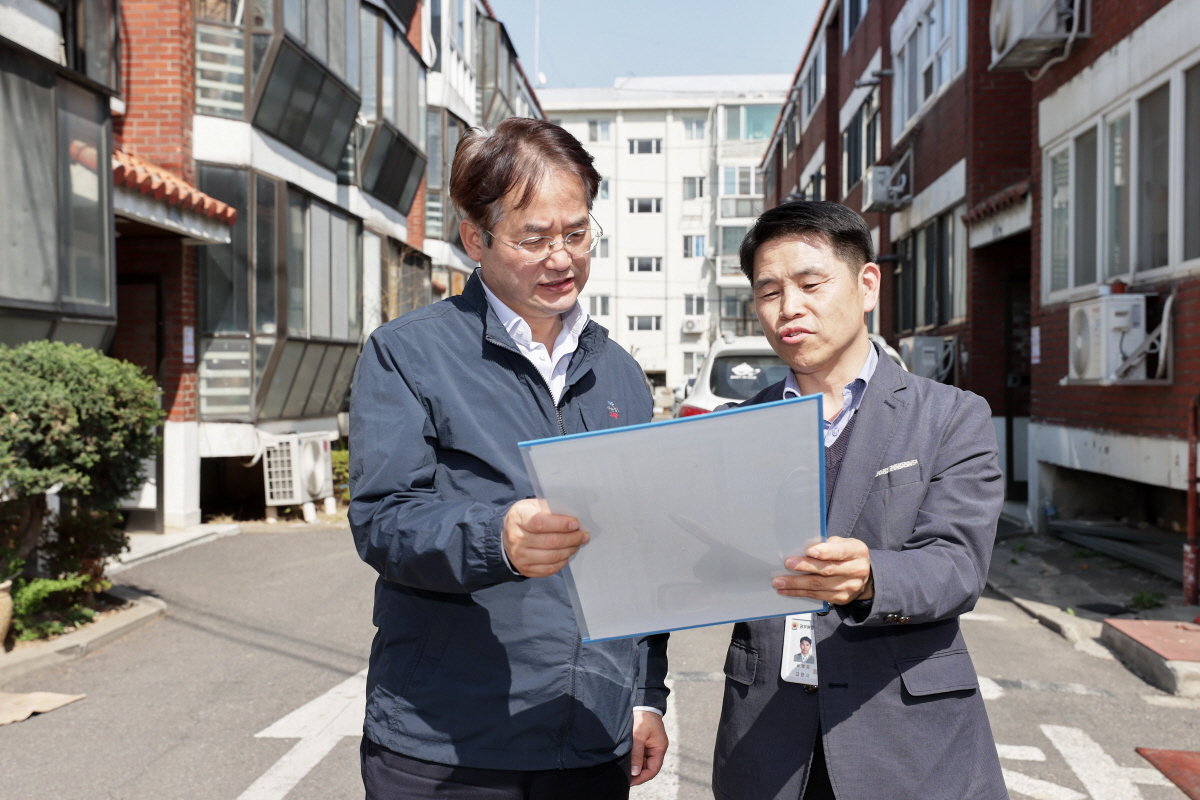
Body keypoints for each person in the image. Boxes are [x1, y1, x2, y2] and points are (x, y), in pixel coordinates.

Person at [349, 117, 669, 800]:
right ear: (475, 238)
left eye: (578, 233)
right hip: (448, 745)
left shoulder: (620, 374)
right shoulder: (407, 354)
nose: (563, 257)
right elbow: (384, 521)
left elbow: (640, 558)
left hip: (591, 738)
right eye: (535, 238)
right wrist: (497, 539)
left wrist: (645, 696)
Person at [711, 200, 1007, 800]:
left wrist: (872, 576)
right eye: (768, 292)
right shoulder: (734, 429)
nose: (789, 307)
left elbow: (957, 565)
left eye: (810, 284)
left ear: (866, 284)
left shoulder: (951, 416)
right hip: (768, 740)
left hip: (905, 739)